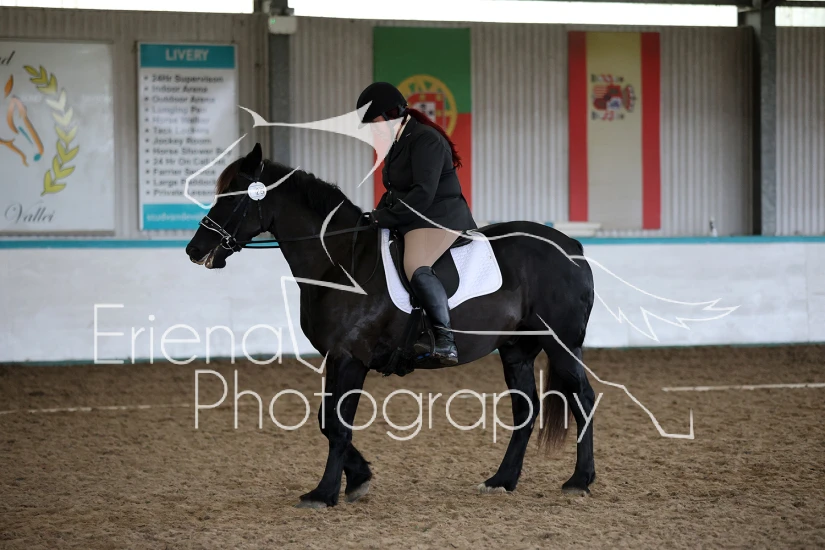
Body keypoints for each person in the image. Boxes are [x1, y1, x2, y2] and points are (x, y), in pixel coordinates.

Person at [357, 81, 477, 365]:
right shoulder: (399, 142)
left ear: (392, 114)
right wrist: (373, 215)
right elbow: (395, 191)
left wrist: (385, 217)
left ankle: (445, 340)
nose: (373, 129)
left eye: (374, 123)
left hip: (438, 217)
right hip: (414, 217)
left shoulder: (426, 140)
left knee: (415, 265)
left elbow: (422, 193)